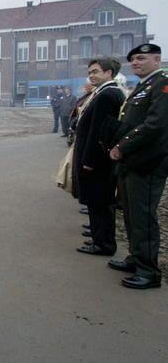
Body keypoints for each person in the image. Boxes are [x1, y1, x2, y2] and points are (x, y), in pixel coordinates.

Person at [108, 43, 168, 289]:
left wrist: (122, 145)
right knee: (132, 215)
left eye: (141, 58)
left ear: (157, 59)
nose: (135, 63)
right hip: (132, 161)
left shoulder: (162, 85)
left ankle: (149, 271)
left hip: (148, 162)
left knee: (143, 216)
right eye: (132, 59)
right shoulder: (143, 86)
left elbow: (155, 124)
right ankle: (136, 257)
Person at [74, 57, 125, 256]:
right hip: (100, 158)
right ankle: (98, 235)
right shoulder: (104, 92)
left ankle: (103, 244)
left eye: (95, 71)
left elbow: (98, 131)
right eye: (90, 72)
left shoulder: (107, 95)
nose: (91, 75)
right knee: (97, 201)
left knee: (100, 200)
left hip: (98, 160)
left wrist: (88, 159)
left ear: (109, 73)